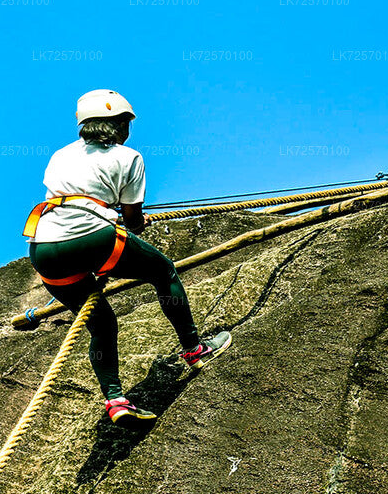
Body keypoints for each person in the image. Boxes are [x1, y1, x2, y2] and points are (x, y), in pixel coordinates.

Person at [24, 89, 232, 422]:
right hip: (94, 238)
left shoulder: (61, 155)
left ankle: (116, 401)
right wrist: (136, 222)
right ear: (119, 125)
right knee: (163, 272)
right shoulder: (128, 157)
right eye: (126, 123)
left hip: (44, 247)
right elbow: (133, 220)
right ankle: (194, 349)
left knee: (102, 325)